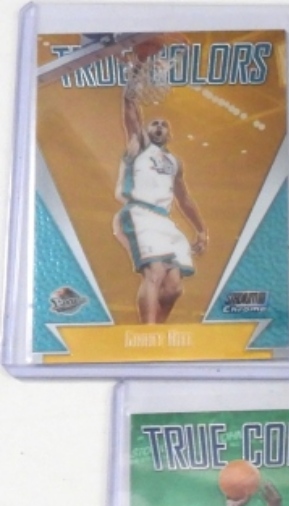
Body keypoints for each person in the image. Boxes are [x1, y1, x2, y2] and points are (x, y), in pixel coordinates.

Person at [112, 52, 207, 324]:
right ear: (146, 129)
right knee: (154, 272)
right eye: (155, 122)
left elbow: (184, 199)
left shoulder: (174, 162)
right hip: (138, 213)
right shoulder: (139, 145)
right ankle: (148, 331)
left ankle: (157, 332)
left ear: (169, 134)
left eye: (164, 125)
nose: (159, 126)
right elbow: (130, 109)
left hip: (163, 221)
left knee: (174, 286)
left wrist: (201, 229)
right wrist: (135, 76)